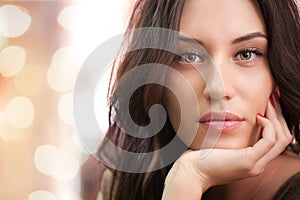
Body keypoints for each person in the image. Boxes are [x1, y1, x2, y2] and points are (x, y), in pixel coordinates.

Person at [80, 0, 300, 199]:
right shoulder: (125, 186)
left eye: (246, 54)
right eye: (188, 57)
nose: (218, 89)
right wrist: (188, 179)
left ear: (279, 71)